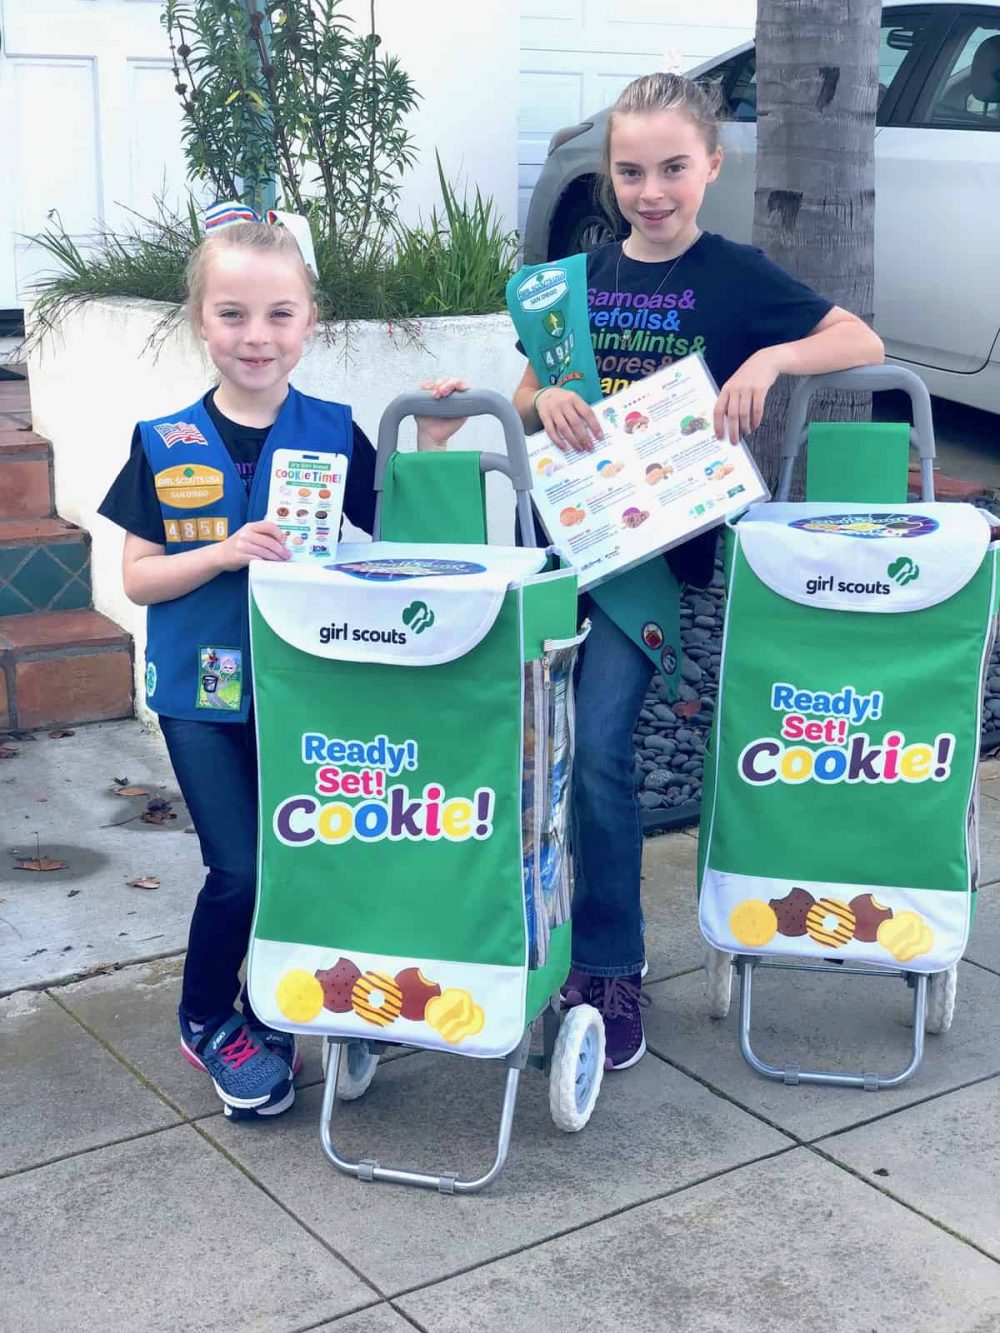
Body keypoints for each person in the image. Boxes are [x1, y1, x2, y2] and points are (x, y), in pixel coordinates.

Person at [506, 72, 885, 1071]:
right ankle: (545, 946)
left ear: (710, 166)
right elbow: (525, 384)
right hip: (566, 545)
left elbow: (859, 336)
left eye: (673, 167)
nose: (651, 189)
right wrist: (542, 399)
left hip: (655, 567)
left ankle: (612, 961)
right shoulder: (574, 281)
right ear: (610, 176)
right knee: (543, 759)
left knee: (597, 753)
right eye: (630, 170)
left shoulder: (736, 275)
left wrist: (771, 362)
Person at [99, 209, 464, 1118]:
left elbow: (404, 538)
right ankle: (205, 1017)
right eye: (232, 314)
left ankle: (281, 1002)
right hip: (199, 696)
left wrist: (434, 447)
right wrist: (222, 552)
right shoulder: (164, 441)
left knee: (309, 855)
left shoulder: (333, 431)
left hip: (310, 688)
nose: (255, 336)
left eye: (278, 314)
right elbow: (139, 579)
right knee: (243, 867)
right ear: (199, 321)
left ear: (310, 321)